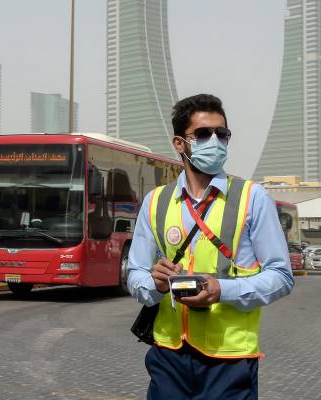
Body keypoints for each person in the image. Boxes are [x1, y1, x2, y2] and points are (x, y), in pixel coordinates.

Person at [127, 94, 295, 399]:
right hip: (168, 355)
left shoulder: (252, 197)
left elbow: (282, 276)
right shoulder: (156, 202)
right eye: (204, 134)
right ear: (180, 143)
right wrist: (155, 283)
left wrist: (222, 290)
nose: (215, 141)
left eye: (222, 134)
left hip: (229, 358)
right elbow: (135, 273)